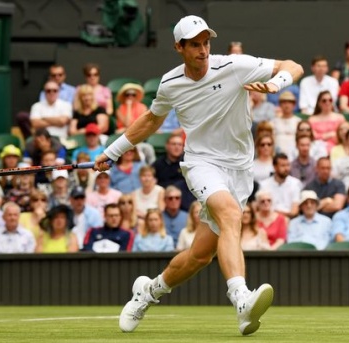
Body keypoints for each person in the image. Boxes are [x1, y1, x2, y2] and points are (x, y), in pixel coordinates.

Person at [95, 14, 303, 335]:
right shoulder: (170, 84)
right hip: (202, 163)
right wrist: (111, 152)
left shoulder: (233, 66)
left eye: (206, 42)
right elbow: (151, 121)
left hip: (240, 170)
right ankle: (241, 299)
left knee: (199, 257)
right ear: (179, 47)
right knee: (231, 215)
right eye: (195, 44)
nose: (203, 50)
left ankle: (148, 291)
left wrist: (277, 84)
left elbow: (293, 65)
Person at [259, 153, 303, 219]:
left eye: (288, 165)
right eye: (283, 165)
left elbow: (294, 212)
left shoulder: (296, 183)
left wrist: (276, 214)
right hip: (269, 220)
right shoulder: (264, 185)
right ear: (275, 167)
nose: (286, 168)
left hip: (290, 220)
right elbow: (261, 208)